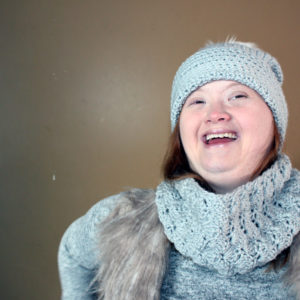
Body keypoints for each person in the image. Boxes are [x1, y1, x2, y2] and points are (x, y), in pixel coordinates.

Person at [58, 39, 300, 300]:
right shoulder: (120, 218)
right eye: (197, 101)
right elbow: (73, 254)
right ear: (181, 132)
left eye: (238, 96)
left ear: (275, 121)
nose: (216, 113)